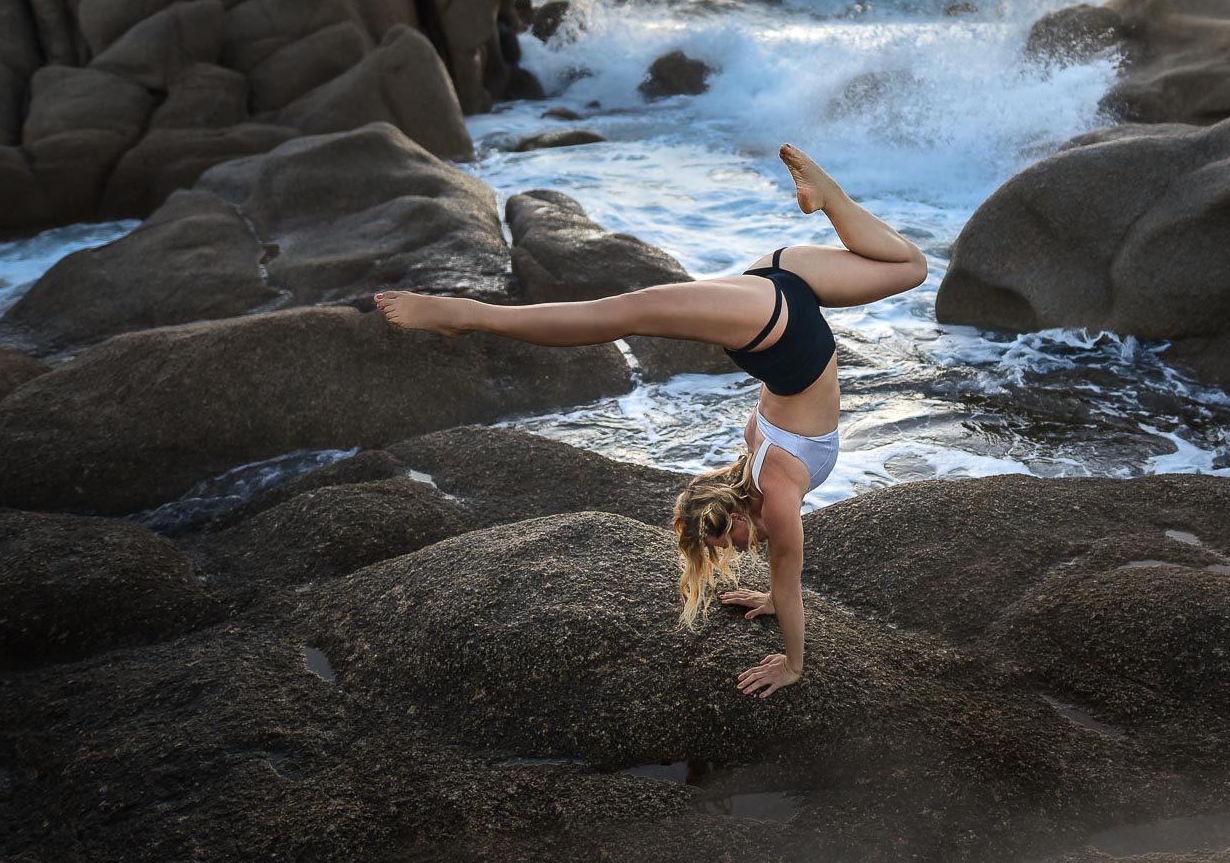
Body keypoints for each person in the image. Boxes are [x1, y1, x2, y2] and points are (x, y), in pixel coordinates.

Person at [373, 143, 928, 699]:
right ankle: (827, 198)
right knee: (910, 267)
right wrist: (771, 599)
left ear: (735, 507)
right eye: (732, 546)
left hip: (777, 326)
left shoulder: (777, 489)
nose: (740, 548)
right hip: (784, 285)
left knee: (621, 313)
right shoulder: (760, 465)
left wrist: (793, 665)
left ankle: (467, 317)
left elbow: (788, 577)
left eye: (729, 539)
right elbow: (783, 581)